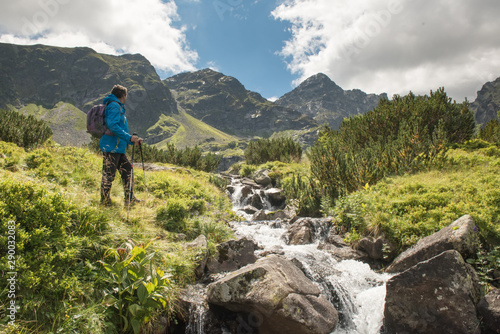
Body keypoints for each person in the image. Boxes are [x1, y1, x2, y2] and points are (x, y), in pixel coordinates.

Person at [100, 84, 143, 206]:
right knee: (109, 175)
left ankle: (130, 198)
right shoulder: (114, 106)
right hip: (112, 147)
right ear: (123, 95)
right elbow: (113, 126)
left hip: (118, 147)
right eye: (126, 95)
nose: (126, 98)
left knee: (128, 171)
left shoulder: (117, 106)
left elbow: (119, 130)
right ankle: (104, 201)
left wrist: (132, 140)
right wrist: (129, 137)